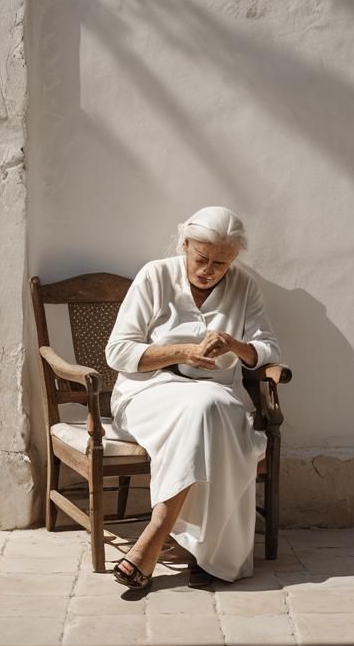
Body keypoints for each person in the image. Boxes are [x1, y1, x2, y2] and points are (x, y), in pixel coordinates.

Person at [104, 206, 281, 591]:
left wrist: (235, 344)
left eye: (221, 263)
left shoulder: (244, 286)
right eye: (202, 259)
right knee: (212, 413)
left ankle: (156, 537)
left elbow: (268, 350)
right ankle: (201, 550)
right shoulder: (155, 275)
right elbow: (117, 352)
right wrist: (182, 352)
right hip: (148, 392)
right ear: (184, 244)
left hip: (215, 395)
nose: (209, 270)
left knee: (211, 407)